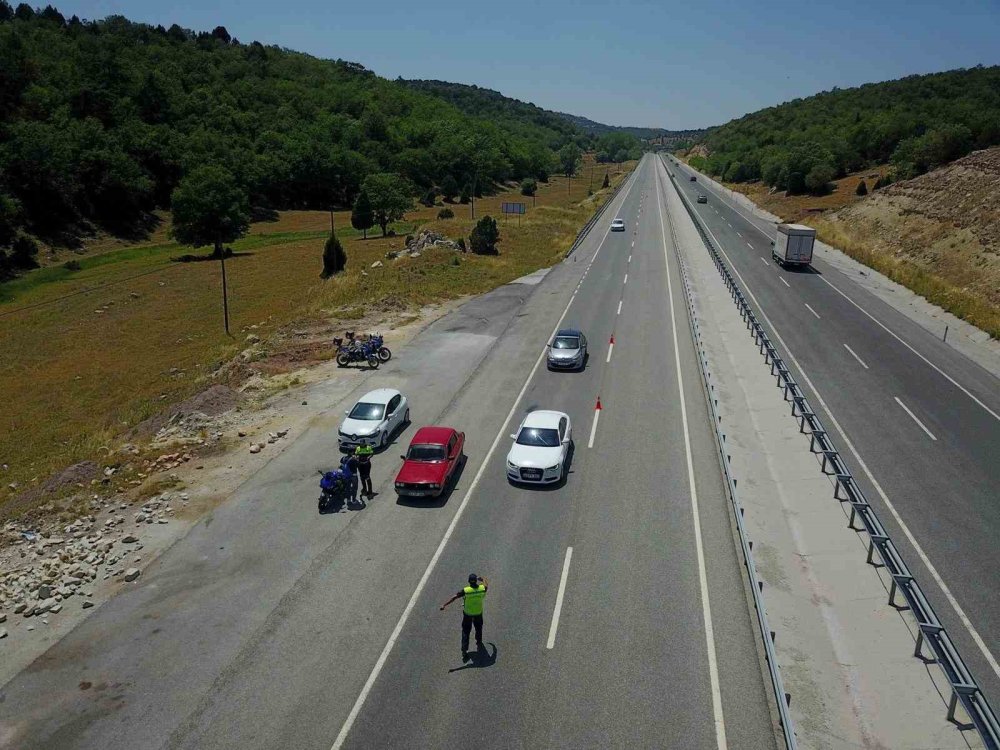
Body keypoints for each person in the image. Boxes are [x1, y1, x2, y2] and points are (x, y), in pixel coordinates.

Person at [440, 573, 489, 659]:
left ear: (469, 581)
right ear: (476, 581)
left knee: (466, 631)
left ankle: (464, 650)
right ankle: (478, 641)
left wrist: (444, 605)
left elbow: (454, 597)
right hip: (478, 613)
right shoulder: (482, 589)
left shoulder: (466, 590)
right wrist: (482, 579)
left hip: (468, 614)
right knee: (478, 628)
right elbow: (486, 584)